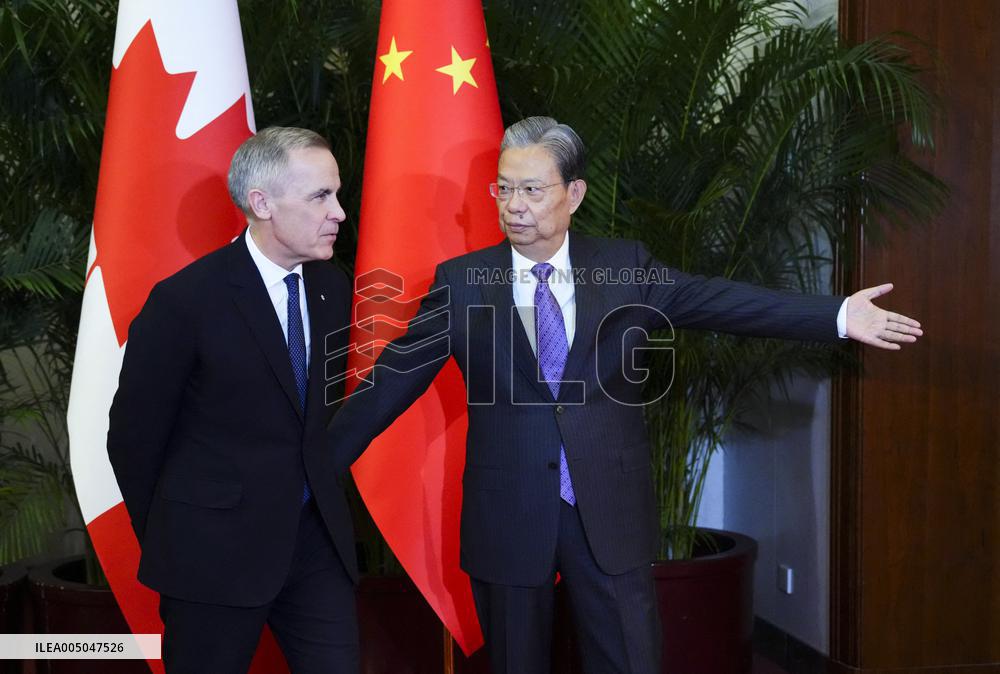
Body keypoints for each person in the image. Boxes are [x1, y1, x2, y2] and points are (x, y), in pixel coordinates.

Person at [327, 116, 922, 674]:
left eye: (532, 190)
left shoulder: (625, 266)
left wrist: (838, 315)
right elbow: (390, 383)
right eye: (503, 189)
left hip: (609, 510)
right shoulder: (461, 281)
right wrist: (315, 467)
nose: (514, 206)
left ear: (575, 194)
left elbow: (721, 301)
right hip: (508, 514)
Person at [107, 127, 359, 673]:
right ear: (261, 202)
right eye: (321, 196)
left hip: (315, 546)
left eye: (337, 194)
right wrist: (182, 536)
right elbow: (133, 439)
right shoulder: (184, 302)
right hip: (212, 557)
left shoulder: (331, 288)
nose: (339, 211)